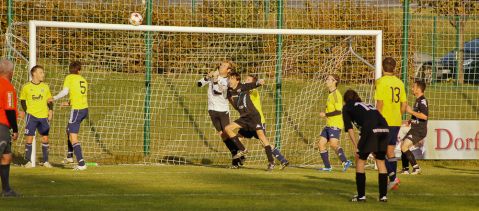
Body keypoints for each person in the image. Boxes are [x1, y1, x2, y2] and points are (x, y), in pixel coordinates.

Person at [224, 72, 288, 171]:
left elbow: (251, 86)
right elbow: (236, 100)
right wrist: (230, 93)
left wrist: (258, 82)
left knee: (263, 141)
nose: (246, 81)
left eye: (248, 80)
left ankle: (276, 161)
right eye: (246, 79)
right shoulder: (240, 89)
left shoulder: (251, 90)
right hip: (245, 119)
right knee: (238, 138)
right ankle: (237, 161)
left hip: (256, 118)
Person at [342, 89, 389, 202]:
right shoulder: (366, 104)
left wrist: (356, 146)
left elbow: (349, 128)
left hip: (370, 129)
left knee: (360, 160)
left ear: (345, 100)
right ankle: (383, 196)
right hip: (385, 128)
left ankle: (361, 196)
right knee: (380, 161)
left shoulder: (347, 107)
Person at [197, 61, 244, 167]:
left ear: (229, 70)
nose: (220, 66)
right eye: (221, 65)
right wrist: (206, 77)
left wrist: (214, 79)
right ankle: (237, 155)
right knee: (222, 135)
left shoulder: (227, 81)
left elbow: (217, 91)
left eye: (223, 66)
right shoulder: (214, 75)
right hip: (212, 109)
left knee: (227, 132)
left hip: (222, 110)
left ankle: (239, 153)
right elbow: (199, 84)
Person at [49, 61, 88, 170]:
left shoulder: (69, 77)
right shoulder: (83, 80)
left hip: (77, 110)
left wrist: (54, 97)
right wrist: (68, 103)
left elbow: (65, 92)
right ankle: (70, 156)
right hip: (84, 109)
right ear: (79, 70)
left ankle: (81, 164)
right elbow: (79, 95)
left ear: (70, 70)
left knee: (73, 136)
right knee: (68, 130)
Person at [374, 57, 407, 190]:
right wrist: (398, 115)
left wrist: (375, 119)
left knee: (377, 151)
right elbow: (404, 105)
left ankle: (393, 178)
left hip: (384, 120)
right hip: (396, 120)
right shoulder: (400, 82)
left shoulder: (380, 82)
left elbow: (380, 103)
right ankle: (393, 182)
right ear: (394, 68)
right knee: (390, 151)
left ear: (382, 67)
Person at [19, 65, 53, 168]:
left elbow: (49, 99)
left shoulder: (45, 86)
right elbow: (22, 100)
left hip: (43, 116)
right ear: (34, 73)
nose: (43, 74)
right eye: (41, 72)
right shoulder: (26, 87)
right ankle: (28, 161)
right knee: (29, 138)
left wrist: (50, 110)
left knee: (45, 138)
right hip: (32, 116)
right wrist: (26, 111)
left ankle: (46, 161)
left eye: (43, 72)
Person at [317, 74, 352, 172]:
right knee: (321, 144)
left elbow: (338, 111)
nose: (326, 81)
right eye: (327, 79)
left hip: (335, 124)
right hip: (329, 124)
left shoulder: (336, 95)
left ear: (335, 82)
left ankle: (345, 161)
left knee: (333, 144)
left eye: (329, 79)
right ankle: (327, 166)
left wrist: (325, 114)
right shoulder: (330, 94)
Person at [401, 80, 428, 175]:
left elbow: (424, 116)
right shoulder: (418, 100)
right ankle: (405, 169)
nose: (412, 88)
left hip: (419, 130)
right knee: (403, 146)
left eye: (414, 87)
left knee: (404, 146)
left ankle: (416, 168)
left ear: (419, 89)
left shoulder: (422, 100)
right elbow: (418, 114)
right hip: (415, 128)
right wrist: (411, 120)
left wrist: (411, 112)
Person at [0, 59, 19, 197]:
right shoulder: (7, 86)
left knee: (7, 156)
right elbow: (10, 110)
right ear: (10, 72)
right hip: (2, 126)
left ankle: (6, 190)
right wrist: (15, 129)